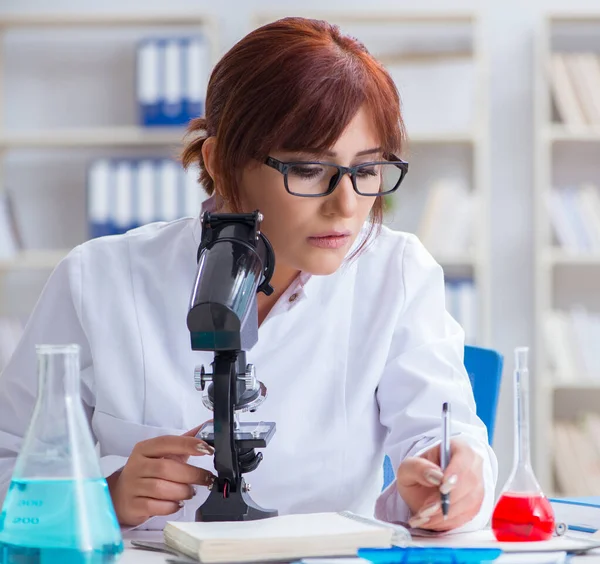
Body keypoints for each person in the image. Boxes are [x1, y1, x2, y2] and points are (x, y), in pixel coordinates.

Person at [0, 17, 497, 532]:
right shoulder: (99, 280)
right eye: (308, 170)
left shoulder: (396, 273)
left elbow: (447, 435)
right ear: (220, 162)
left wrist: (447, 483)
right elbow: (9, 462)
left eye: (367, 170)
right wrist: (104, 499)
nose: (347, 205)